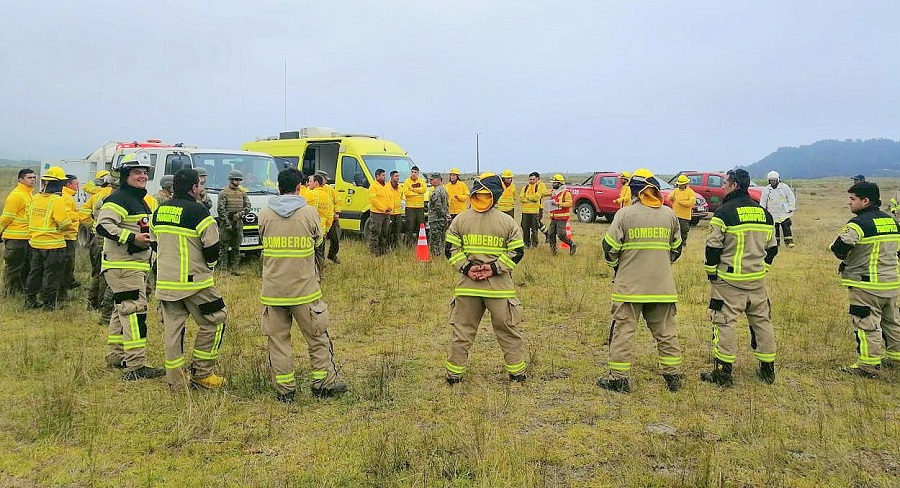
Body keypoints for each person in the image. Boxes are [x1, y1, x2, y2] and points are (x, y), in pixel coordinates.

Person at [259, 168, 346, 402]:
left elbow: (261, 240)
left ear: (278, 186)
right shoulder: (309, 213)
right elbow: (319, 241)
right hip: (304, 290)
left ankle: (285, 391)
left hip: (274, 291)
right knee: (317, 338)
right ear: (299, 188)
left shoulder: (265, 213)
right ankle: (323, 386)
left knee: (278, 342)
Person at [599, 169, 683, 393]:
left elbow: (609, 248)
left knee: (623, 333)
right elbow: (677, 249)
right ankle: (673, 377)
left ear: (634, 191)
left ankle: (618, 379)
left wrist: (617, 267)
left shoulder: (624, 215)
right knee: (666, 333)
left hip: (629, 287)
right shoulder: (670, 215)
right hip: (662, 287)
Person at [444, 173, 527, 384]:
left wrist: (467, 268)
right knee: (507, 331)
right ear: (497, 196)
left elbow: (450, 249)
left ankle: (454, 375)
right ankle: (517, 374)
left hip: (467, 287)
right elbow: (517, 252)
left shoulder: (460, 219)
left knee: (462, 331)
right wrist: (494, 268)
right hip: (499, 289)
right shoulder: (507, 221)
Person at [701, 168, 779, 387]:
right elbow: (773, 248)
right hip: (757, 281)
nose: (722, 186)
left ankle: (722, 373)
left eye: (725, 183)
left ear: (734, 185)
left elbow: (713, 246)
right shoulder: (764, 214)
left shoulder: (723, 213)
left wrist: (711, 272)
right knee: (762, 323)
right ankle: (767, 370)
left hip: (728, 281)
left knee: (724, 323)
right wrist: (762, 268)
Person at [152, 169, 227, 390]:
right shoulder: (199, 212)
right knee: (216, 319)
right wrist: (209, 267)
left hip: (165, 282)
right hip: (195, 283)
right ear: (194, 187)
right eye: (199, 185)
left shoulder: (160, 210)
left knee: (172, 331)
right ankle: (203, 374)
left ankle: (175, 381)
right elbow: (212, 247)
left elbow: (154, 242)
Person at [95, 150, 165, 380]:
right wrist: (131, 238)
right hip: (124, 266)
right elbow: (103, 226)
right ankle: (135, 366)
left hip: (134, 265)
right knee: (135, 313)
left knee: (121, 310)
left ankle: (116, 356)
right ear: (125, 175)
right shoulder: (119, 199)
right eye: (137, 172)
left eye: (145, 172)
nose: (143, 176)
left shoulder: (138, 200)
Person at [830, 181, 900, 377]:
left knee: (866, 324)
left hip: (866, 285)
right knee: (893, 323)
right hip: (892, 282)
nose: (849, 203)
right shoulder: (892, 222)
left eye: (852, 199)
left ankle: (868, 365)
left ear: (865, 201)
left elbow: (839, 248)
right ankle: (896, 359)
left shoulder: (858, 224)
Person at [25, 166, 73, 310]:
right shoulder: (56, 200)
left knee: (34, 273)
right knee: (51, 275)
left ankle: (31, 300)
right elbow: (64, 222)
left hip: (35, 243)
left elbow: (29, 216)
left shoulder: (35, 198)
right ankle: (49, 304)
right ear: (59, 184)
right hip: (54, 245)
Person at [0, 168, 36, 296]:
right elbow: (6, 217)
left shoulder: (29, 194)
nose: (33, 180)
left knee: (25, 267)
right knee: (13, 267)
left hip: (27, 237)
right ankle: (9, 293)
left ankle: (19, 291)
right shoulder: (16, 195)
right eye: (29, 178)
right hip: (15, 237)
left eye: (33, 177)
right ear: (20, 180)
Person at [82, 173, 114, 311]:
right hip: (107, 240)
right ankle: (102, 304)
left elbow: (83, 215)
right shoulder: (117, 198)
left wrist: (92, 226)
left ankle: (91, 302)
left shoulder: (97, 195)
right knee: (105, 274)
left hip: (96, 237)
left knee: (96, 272)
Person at [216, 169, 251, 275]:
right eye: (236, 179)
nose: (238, 182)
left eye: (239, 180)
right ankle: (223, 270)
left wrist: (239, 215)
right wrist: (227, 223)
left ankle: (235, 269)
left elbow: (248, 206)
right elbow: (221, 209)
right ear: (231, 180)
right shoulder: (224, 193)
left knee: (236, 248)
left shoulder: (242, 193)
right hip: (226, 222)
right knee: (224, 248)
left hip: (238, 223)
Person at [60, 174, 87, 295]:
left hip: (68, 235)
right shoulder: (66, 197)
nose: (78, 187)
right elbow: (66, 215)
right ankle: (64, 287)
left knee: (68, 262)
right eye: (76, 184)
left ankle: (67, 284)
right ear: (68, 184)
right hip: (66, 236)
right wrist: (79, 215)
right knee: (67, 262)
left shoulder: (67, 196)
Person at [760, 171, 796, 248]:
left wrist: (791, 208)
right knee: (774, 229)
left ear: (777, 180)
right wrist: (763, 211)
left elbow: (791, 197)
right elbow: (763, 201)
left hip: (784, 212)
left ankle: (789, 242)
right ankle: (776, 243)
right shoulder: (766, 190)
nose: (772, 182)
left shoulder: (784, 187)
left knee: (786, 227)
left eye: (774, 180)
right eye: (771, 180)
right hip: (772, 213)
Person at [308, 173, 334, 275]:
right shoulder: (328, 197)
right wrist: (326, 229)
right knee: (320, 254)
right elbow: (330, 216)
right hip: (322, 231)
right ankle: (319, 274)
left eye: (310, 181)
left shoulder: (311, 194)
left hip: (310, 230)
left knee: (310, 254)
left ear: (316, 183)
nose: (308, 184)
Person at [547, 174, 577, 255]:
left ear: (559, 183)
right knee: (551, 234)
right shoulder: (554, 192)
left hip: (562, 217)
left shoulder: (566, 193)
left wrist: (557, 204)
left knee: (561, 234)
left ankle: (572, 244)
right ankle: (554, 252)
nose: (552, 184)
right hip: (554, 217)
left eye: (554, 183)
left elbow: (569, 203)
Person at [316, 170, 342, 264]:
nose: (326, 182)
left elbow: (338, 200)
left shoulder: (330, 189)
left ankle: (332, 255)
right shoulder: (312, 189)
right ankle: (320, 261)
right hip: (321, 220)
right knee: (320, 242)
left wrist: (337, 212)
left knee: (336, 239)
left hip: (332, 219)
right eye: (325, 180)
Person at [519, 172, 549, 248]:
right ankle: (527, 243)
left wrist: (527, 197)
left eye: (533, 179)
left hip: (537, 209)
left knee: (535, 226)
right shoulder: (525, 187)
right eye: (530, 179)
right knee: (526, 227)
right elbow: (521, 198)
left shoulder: (540, 185)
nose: (531, 181)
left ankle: (540, 240)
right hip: (526, 211)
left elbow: (536, 198)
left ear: (537, 178)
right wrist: (531, 199)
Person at [368, 168, 392, 255]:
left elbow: (390, 197)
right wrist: (384, 208)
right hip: (377, 214)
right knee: (375, 232)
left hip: (386, 214)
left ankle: (383, 250)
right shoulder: (373, 186)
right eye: (382, 175)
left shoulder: (386, 186)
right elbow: (374, 200)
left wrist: (390, 207)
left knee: (385, 232)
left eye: (384, 175)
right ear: (377, 176)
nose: (384, 177)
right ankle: (374, 251)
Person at [668, 174, 696, 247]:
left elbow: (692, 203)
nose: (680, 186)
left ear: (686, 184)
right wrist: (671, 198)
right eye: (679, 184)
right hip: (675, 215)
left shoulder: (690, 192)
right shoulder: (676, 191)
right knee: (674, 230)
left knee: (683, 231)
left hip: (685, 216)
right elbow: (669, 197)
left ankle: (683, 243)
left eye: (681, 185)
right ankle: (674, 243)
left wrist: (682, 202)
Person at [403, 165, 427, 245]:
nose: (413, 174)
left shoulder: (421, 180)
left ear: (418, 173)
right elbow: (406, 193)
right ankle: (409, 243)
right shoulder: (407, 181)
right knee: (410, 226)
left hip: (420, 208)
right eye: (412, 172)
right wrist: (418, 193)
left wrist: (413, 190)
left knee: (420, 226)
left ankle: (419, 242)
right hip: (410, 208)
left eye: (415, 172)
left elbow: (424, 189)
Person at [427, 173, 450, 258]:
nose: (430, 181)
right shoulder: (443, 190)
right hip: (442, 219)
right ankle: (440, 255)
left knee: (435, 240)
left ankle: (435, 256)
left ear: (437, 180)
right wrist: (446, 214)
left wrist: (444, 214)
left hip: (436, 220)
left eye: (432, 179)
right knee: (441, 239)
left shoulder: (436, 192)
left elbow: (438, 207)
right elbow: (447, 204)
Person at [387, 170, 404, 248]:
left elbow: (402, 198)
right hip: (389, 213)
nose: (398, 178)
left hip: (398, 213)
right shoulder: (386, 187)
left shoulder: (400, 187)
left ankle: (396, 247)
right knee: (388, 232)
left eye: (398, 176)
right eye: (396, 176)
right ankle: (388, 246)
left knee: (398, 231)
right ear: (391, 177)